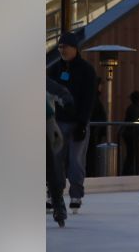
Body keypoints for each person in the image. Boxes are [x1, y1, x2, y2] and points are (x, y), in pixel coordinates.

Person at [47, 32, 98, 213]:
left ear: (75, 48)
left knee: (75, 160)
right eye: (60, 47)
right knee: (55, 160)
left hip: (78, 122)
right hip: (58, 122)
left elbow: (89, 98)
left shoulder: (86, 70)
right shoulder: (54, 69)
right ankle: (54, 193)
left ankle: (76, 194)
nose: (62, 50)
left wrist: (83, 123)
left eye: (65, 46)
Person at [46, 78, 73, 226]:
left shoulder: (45, 83)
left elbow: (61, 92)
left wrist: (67, 102)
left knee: (53, 167)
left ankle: (58, 204)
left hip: (46, 124)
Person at [121, 90, 139, 176]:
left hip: (130, 134)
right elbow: (136, 121)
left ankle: (128, 172)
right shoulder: (135, 108)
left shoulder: (132, 107)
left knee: (131, 155)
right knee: (131, 155)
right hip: (132, 135)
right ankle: (128, 173)